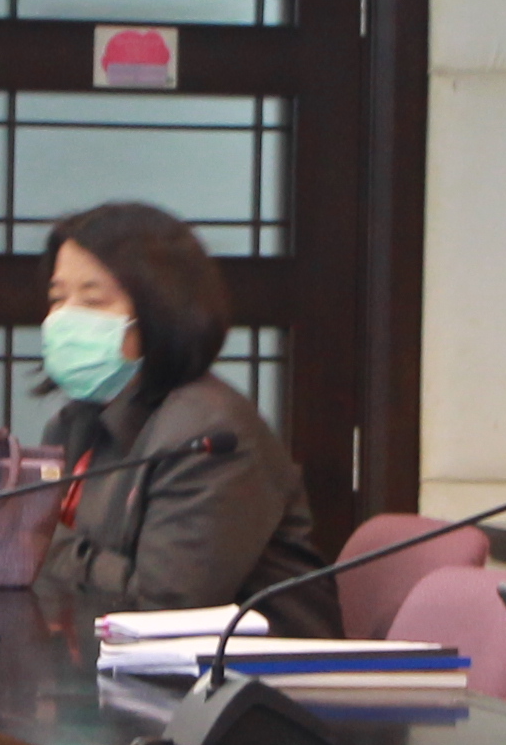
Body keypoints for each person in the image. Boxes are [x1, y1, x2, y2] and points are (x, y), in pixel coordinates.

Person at [30, 199, 329, 629]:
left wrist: (40, 545)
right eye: (57, 298)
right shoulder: (76, 423)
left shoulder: (208, 432)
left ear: (159, 311)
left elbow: (166, 604)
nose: (64, 318)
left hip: (250, 665)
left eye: (92, 301)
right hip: (108, 651)